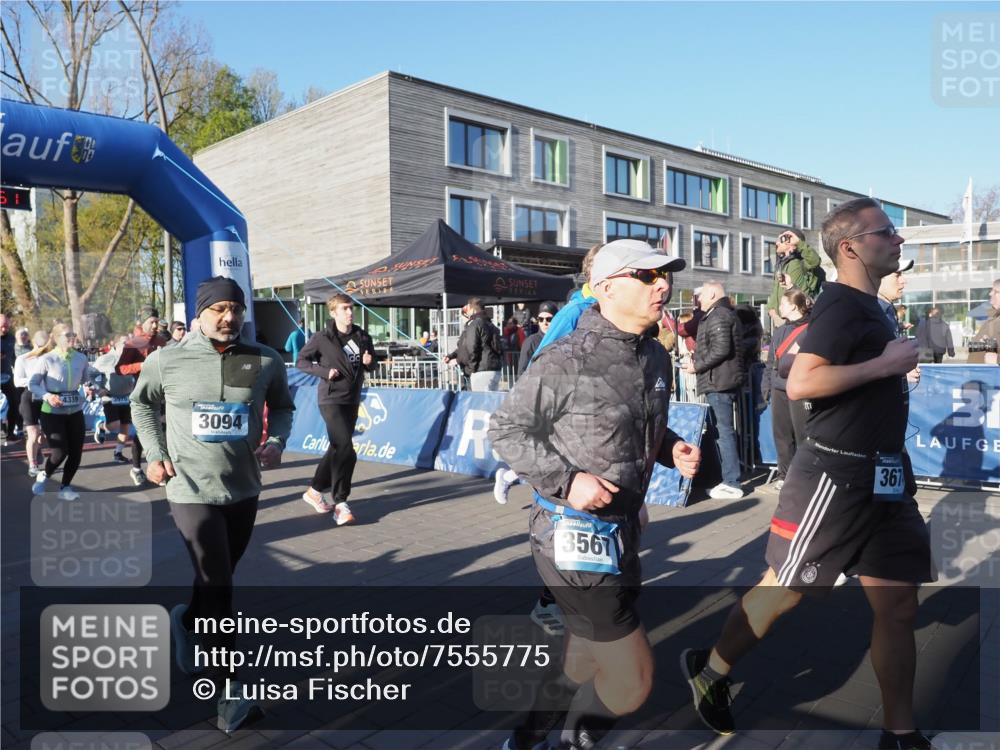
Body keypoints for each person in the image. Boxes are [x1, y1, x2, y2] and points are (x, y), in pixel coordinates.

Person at [681, 198, 935, 750]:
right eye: (886, 233)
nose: (898, 242)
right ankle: (712, 669)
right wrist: (885, 366)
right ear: (850, 247)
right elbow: (801, 383)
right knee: (787, 590)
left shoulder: (873, 306)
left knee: (898, 606)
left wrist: (885, 368)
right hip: (835, 481)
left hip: (887, 479)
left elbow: (824, 369)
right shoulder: (843, 304)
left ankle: (901, 733)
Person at [490, 239, 699, 750]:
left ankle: (525, 739)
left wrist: (670, 447)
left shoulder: (653, 355)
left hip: (622, 530)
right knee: (632, 684)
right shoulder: (569, 357)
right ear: (605, 288)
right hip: (569, 538)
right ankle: (574, 742)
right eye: (646, 277)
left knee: (583, 654)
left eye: (664, 276)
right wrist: (569, 481)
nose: (663, 285)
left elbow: (635, 423)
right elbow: (507, 431)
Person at [130, 276, 294, 734]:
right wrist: (155, 453)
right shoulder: (168, 360)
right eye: (218, 309)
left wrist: (278, 441)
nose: (229, 317)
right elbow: (141, 406)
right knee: (219, 584)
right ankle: (228, 692)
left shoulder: (264, 359)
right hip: (188, 488)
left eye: (235, 309)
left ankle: (185, 622)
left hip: (243, 487)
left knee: (216, 580)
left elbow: (282, 407)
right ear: (199, 314)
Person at [296, 294, 375, 524]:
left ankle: (314, 491)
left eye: (351, 308)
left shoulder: (362, 336)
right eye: (345, 309)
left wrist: (371, 362)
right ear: (333, 313)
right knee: (346, 448)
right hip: (330, 399)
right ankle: (340, 503)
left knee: (337, 448)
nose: (350, 312)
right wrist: (324, 372)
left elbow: (371, 363)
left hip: (351, 399)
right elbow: (302, 361)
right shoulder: (322, 338)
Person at [684, 281, 745, 499]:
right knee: (721, 431)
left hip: (720, 382)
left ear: (711, 293)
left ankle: (732, 482)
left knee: (724, 431)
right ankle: (727, 479)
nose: (697, 299)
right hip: (718, 380)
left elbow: (721, 349)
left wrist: (696, 366)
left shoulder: (718, 315)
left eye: (700, 295)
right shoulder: (720, 313)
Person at [29, 324, 103, 500]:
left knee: (76, 452)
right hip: (52, 412)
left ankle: (65, 488)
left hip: (75, 411)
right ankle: (44, 475)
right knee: (60, 451)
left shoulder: (81, 358)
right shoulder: (47, 359)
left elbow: (86, 380)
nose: (72, 337)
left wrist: (92, 388)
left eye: (73, 334)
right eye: (67, 335)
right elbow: (32, 384)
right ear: (55, 338)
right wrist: (46, 395)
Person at [116, 306, 168, 486]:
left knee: (163, 430)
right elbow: (120, 369)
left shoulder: (162, 341)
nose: (155, 325)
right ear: (143, 323)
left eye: (156, 321)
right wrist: (141, 366)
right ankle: (136, 469)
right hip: (143, 395)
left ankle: (160, 468)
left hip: (162, 393)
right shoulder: (134, 343)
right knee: (145, 432)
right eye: (151, 322)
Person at [764, 289, 811, 488]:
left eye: (782, 303)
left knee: (803, 435)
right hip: (779, 388)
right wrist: (766, 385)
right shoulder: (780, 330)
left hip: (801, 389)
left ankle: (806, 476)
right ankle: (785, 475)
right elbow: (770, 362)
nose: (779, 307)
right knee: (782, 435)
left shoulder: (812, 329)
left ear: (793, 306)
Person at [92, 335, 142, 472]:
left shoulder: (132, 358)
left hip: (127, 397)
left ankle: (118, 453)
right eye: (124, 344)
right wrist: (98, 387)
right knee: (115, 424)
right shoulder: (105, 359)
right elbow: (90, 374)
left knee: (125, 428)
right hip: (110, 397)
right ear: (116, 345)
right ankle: (102, 426)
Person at [766, 228, 824, 327]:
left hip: (799, 320)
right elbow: (775, 292)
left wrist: (798, 243)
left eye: (781, 239)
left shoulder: (801, 262)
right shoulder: (780, 265)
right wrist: (774, 314)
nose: (777, 243)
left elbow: (814, 261)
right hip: (781, 322)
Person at [444, 298, 503, 391]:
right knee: (491, 403)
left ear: (473, 310)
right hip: (494, 370)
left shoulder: (475, 324)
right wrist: (453, 356)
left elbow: (471, 348)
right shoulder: (491, 325)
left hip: (481, 371)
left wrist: (470, 369)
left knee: (481, 403)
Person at [14, 331, 51, 476]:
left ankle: (37, 448)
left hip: (48, 398)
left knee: (47, 433)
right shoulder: (23, 359)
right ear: (33, 343)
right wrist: (34, 382)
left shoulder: (51, 358)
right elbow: (17, 381)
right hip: (30, 397)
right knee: (33, 433)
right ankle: (33, 465)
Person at [516, 302, 557, 377]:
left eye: (549, 319)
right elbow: (522, 371)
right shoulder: (531, 341)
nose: (545, 323)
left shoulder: (563, 339)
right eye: (541, 319)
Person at [969, 278, 1000, 365]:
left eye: (995, 291)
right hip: (981, 374)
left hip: (992, 375)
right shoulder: (992, 318)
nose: (990, 293)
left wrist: (997, 360)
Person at [0, 313, 18, 442]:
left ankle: (10, 432)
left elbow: (14, 358)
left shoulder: (12, 338)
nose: (4, 329)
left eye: (6, 326)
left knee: (14, 403)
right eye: (1, 326)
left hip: (7, 376)